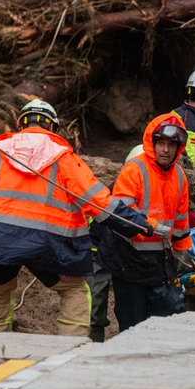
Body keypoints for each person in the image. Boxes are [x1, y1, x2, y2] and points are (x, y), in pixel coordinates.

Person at [0, 100, 151, 337]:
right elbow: (99, 202)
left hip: (0, 240)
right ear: (54, 128)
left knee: (0, 292)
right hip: (51, 243)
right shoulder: (65, 158)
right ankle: (71, 351)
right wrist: (137, 224)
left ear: (21, 124)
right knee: (74, 291)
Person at [100, 114, 191, 332]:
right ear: (152, 143)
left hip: (161, 262)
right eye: (161, 143)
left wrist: (181, 252)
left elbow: (181, 219)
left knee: (167, 321)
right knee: (133, 323)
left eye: (171, 145)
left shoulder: (179, 175)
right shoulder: (134, 170)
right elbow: (122, 214)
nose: (166, 150)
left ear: (178, 147)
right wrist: (151, 225)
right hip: (129, 260)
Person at [87, 143, 145, 342]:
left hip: (132, 256)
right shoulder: (110, 194)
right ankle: (93, 346)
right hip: (99, 252)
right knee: (94, 309)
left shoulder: (154, 190)